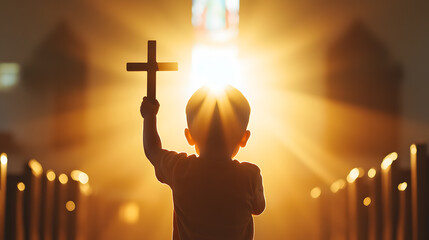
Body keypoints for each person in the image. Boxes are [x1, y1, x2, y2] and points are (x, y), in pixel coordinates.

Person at [140, 85, 265, 240]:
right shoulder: (249, 176)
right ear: (244, 138)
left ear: (189, 135)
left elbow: (151, 149)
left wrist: (149, 116)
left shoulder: (179, 169)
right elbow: (259, 207)